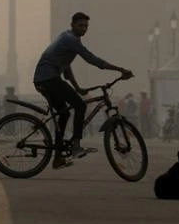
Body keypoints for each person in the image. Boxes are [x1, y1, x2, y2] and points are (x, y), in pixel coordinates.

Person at [32, 12, 133, 169]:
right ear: (72, 25)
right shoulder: (70, 40)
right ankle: (76, 146)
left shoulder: (67, 38)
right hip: (49, 78)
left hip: (44, 78)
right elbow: (91, 59)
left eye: (86, 26)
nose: (84, 29)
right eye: (81, 25)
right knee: (80, 105)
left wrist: (78, 87)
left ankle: (58, 157)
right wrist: (120, 69)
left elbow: (66, 68)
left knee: (64, 113)